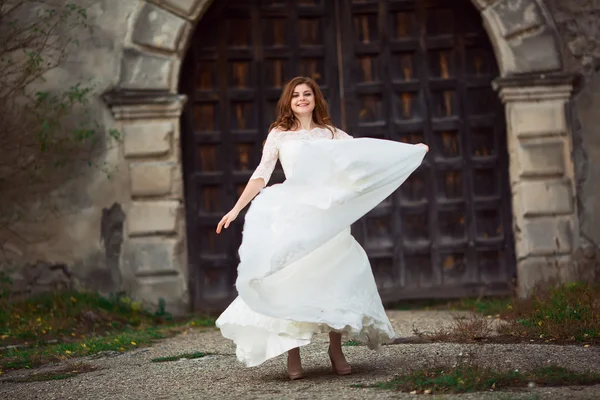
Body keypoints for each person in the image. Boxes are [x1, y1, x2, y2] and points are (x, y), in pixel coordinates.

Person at [215, 76, 428, 380]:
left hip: (327, 216)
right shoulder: (279, 135)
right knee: (290, 280)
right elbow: (262, 173)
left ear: (315, 99)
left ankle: (335, 349)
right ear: (288, 102)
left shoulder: (331, 134)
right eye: (296, 95)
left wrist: (409, 151)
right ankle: (293, 352)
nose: (302, 99)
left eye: (307, 94)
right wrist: (236, 209)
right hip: (294, 214)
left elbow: (364, 156)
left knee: (335, 277)